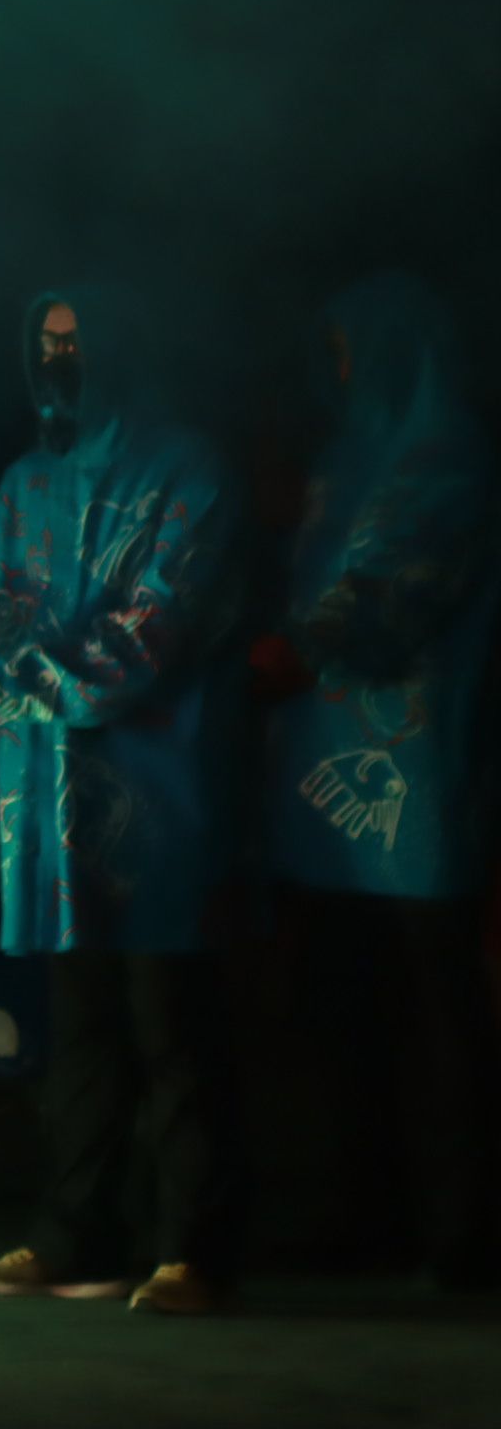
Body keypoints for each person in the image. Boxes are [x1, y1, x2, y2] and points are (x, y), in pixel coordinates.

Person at [0, 287, 246, 1315]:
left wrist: (1, 683)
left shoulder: (188, 471)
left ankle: (191, 1251)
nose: (60, 355)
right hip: (45, 797)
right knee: (75, 1023)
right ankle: (74, 1238)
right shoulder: (27, 481)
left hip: (157, 794)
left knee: (168, 1024)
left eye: (79, 338)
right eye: (46, 339)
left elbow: (149, 630)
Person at [258, 274, 499, 1287]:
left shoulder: (445, 458)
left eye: (355, 347)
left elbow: (383, 600)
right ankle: (356, 1212)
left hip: (421, 776)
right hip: (321, 783)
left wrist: (272, 656)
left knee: (438, 1014)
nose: (340, 367)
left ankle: (466, 1232)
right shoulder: (340, 457)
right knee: (340, 1009)